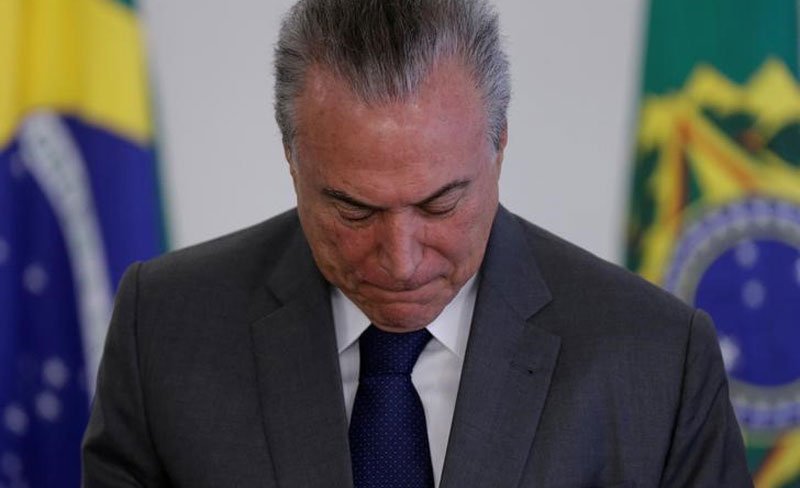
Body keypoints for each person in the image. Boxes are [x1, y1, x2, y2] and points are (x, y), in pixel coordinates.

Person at [82, 0, 752, 486]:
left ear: (500, 144)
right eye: (353, 209)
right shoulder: (163, 328)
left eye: (440, 204)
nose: (400, 260)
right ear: (291, 157)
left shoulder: (657, 360)